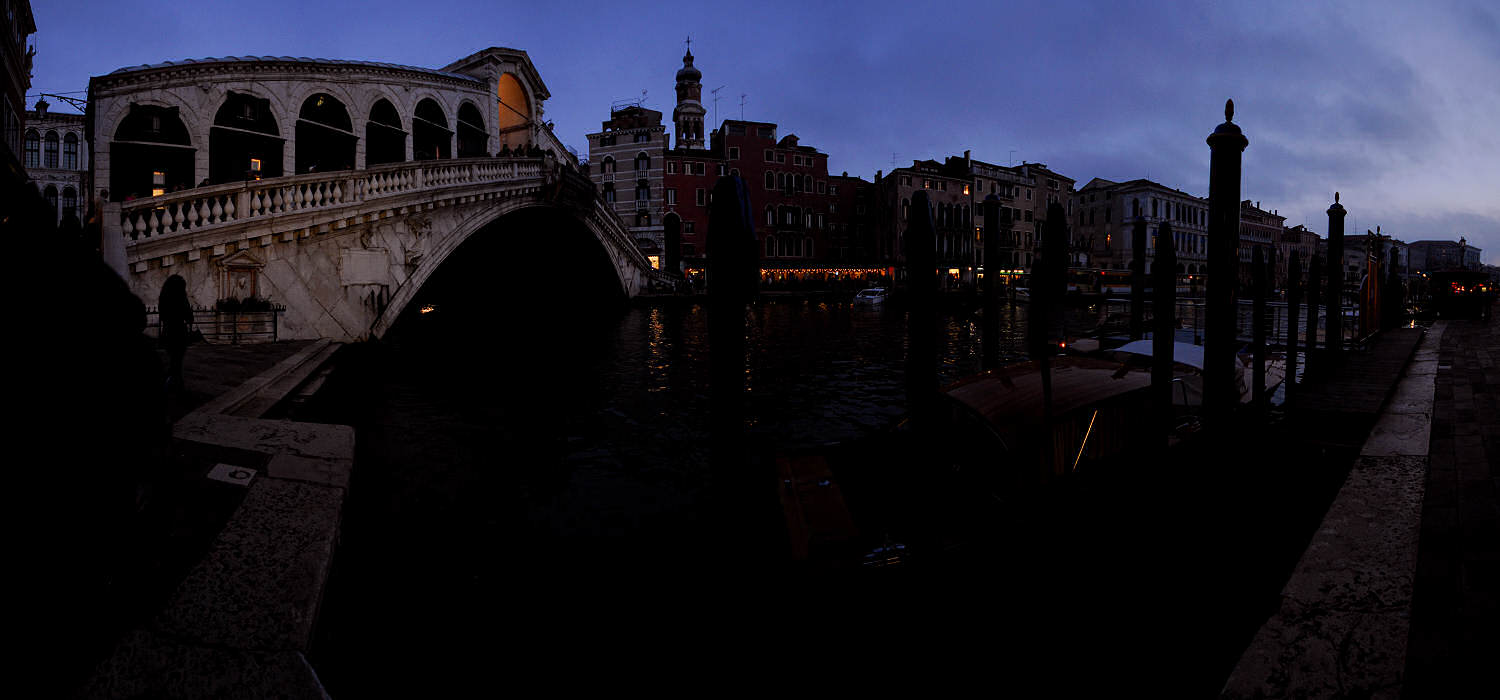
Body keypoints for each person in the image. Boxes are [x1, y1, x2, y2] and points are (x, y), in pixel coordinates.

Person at [158, 274, 193, 393]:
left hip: (167, 331)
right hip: (179, 332)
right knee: (177, 361)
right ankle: (174, 384)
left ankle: (176, 383)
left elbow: (162, 315)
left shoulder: (163, 297)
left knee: (173, 359)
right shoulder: (181, 298)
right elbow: (189, 316)